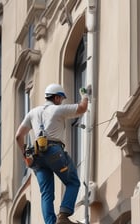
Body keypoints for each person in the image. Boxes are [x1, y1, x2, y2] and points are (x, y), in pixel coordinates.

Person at [15, 83, 88, 224]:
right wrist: (85, 95)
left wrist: (25, 156)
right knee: (73, 182)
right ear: (55, 97)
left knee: (46, 193)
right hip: (54, 151)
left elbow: (19, 136)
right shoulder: (57, 110)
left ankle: (50, 223)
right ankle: (63, 215)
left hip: (36, 157)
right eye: (60, 98)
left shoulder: (32, 113)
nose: (61, 101)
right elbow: (82, 108)